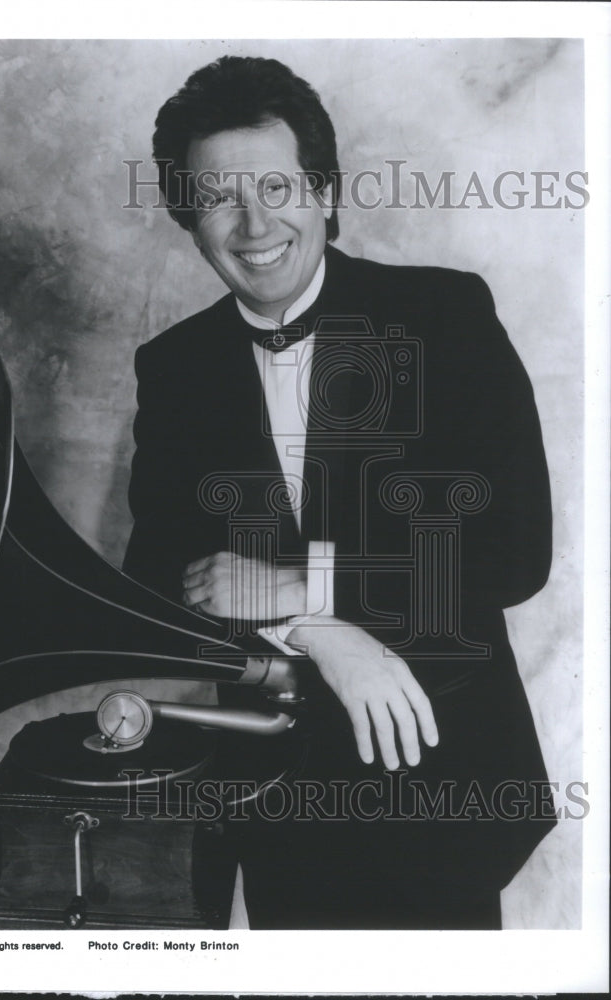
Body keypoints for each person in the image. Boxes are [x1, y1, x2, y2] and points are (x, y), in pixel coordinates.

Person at [123, 55, 556, 929]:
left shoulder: (445, 317)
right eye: (218, 198)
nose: (254, 225)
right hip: (278, 797)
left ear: (324, 192)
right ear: (186, 219)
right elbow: (155, 569)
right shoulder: (173, 367)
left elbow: (512, 552)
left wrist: (305, 583)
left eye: (278, 187)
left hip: (444, 785)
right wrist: (316, 629)